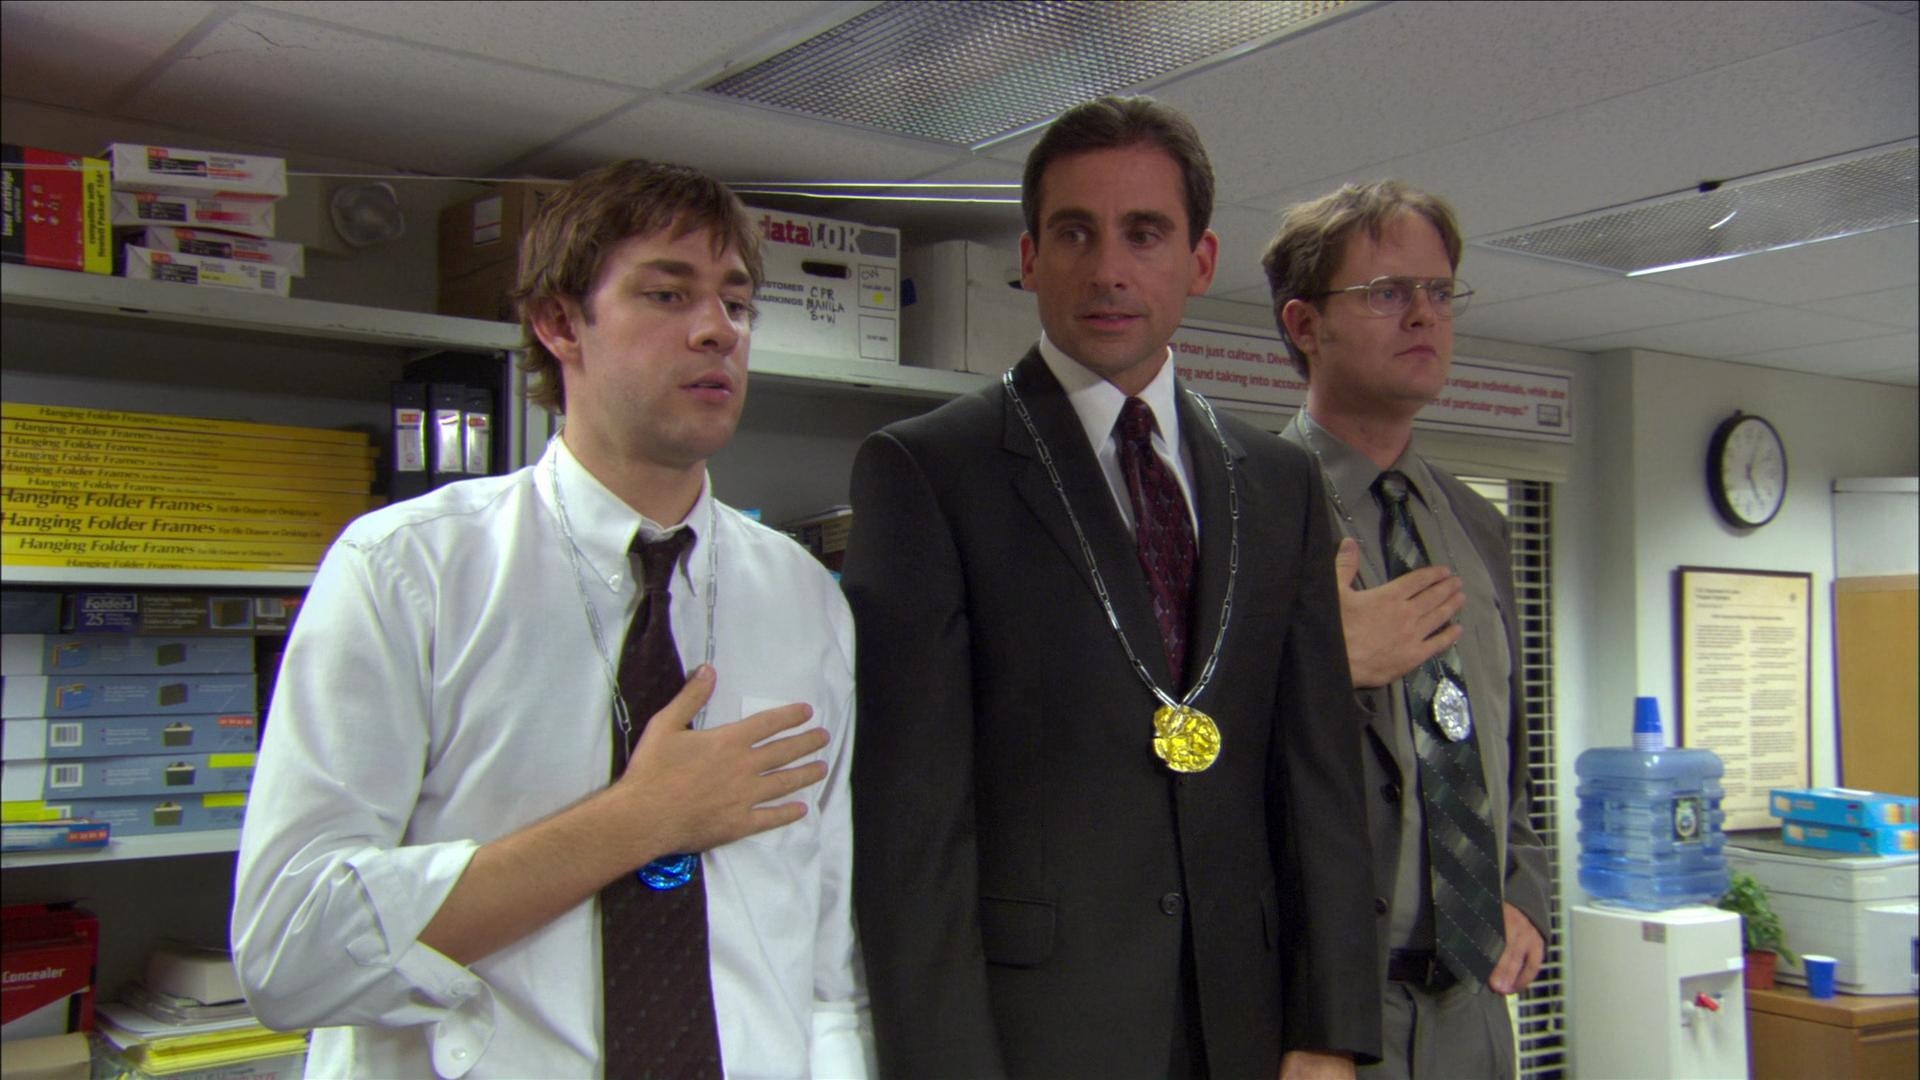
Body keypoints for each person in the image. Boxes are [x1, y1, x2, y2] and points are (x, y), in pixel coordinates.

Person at [231, 160, 872, 1079]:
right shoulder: (410, 570)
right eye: (666, 293)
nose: (715, 331)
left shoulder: (804, 595)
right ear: (558, 322)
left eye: (736, 303)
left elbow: (824, 952)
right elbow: (290, 951)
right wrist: (639, 820)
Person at [842, 95, 1380, 1080]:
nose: (1108, 268)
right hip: (1042, 1033)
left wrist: (1329, 1030)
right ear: (1030, 256)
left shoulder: (1278, 482)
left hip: (1250, 1028)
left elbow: (1318, 782)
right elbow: (912, 833)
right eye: (1075, 233)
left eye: (1145, 233)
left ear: (1200, 263)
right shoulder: (929, 471)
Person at [1262, 180, 1551, 1080]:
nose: (1423, 314)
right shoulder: (1242, 517)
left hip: (1476, 1012)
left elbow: (1509, 752)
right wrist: (1320, 665)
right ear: (1306, 325)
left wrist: (1522, 891)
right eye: (1388, 293)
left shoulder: (1480, 526)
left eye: (1439, 292)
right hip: (1320, 1024)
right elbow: (1184, 770)